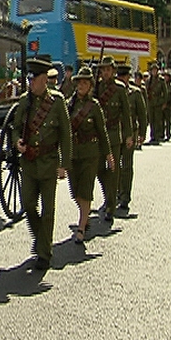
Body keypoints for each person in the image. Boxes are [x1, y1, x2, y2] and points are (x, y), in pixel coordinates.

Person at [12, 58, 72, 270]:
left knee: (48, 210)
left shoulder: (57, 102)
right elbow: (16, 128)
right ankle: (42, 240)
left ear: (44, 80)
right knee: (28, 204)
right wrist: (16, 141)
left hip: (48, 164)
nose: (30, 82)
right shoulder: (23, 101)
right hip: (29, 163)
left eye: (33, 78)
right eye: (29, 78)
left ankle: (44, 254)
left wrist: (64, 164)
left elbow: (66, 134)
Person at [66, 66, 112, 243]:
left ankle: (81, 226)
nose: (81, 86)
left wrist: (108, 155)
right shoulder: (69, 104)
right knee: (76, 192)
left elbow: (102, 132)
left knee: (85, 191)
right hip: (73, 154)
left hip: (90, 154)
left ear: (90, 85)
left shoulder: (94, 107)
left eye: (85, 83)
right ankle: (84, 216)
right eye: (79, 82)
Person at [94, 56, 133, 222]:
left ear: (113, 71)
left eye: (108, 70)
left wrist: (129, 135)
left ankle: (110, 205)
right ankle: (108, 194)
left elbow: (126, 114)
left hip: (113, 134)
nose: (105, 73)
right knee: (98, 168)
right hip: (98, 136)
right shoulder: (96, 87)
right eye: (102, 70)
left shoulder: (120, 89)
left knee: (113, 170)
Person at [116, 63, 147, 211]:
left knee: (127, 166)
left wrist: (142, 134)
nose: (122, 79)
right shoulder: (113, 92)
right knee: (114, 166)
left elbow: (142, 115)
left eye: (124, 76)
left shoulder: (135, 93)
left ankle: (125, 197)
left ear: (128, 77)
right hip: (115, 133)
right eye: (119, 77)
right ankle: (115, 192)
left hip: (130, 133)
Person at [145, 62, 167, 145]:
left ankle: (157, 136)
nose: (154, 72)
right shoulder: (148, 81)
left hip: (158, 102)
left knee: (158, 120)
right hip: (150, 103)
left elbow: (165, 92)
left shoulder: (161, 80)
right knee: (151, 120)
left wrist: (164, 102)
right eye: (153, 70)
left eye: (155, 70)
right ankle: (152, 136)